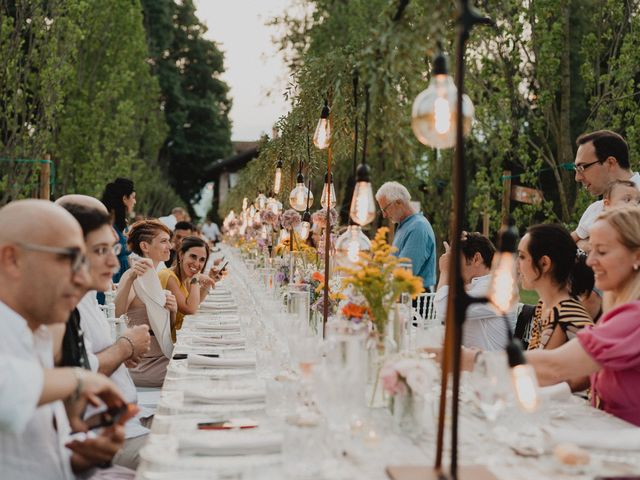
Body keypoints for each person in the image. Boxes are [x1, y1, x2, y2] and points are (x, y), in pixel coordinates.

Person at [0, 199, 129, 479]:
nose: (82, 277)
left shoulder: (41, 332)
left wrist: (79, 458)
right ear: (12, 259)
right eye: (70, 258)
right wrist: (80, 379)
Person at [56, 195, 152, 469]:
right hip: (111, 433)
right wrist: (123, 348)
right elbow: (81, 373)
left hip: (122, 419)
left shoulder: (83, 297)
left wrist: (123, 351)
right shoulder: (56, 308)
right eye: (101, 250)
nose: (114, 262)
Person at [523, 207, 640, 426]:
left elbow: (554, 366)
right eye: (591, 250)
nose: (589, 261)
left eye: (602, 251)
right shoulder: (616, 315)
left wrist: (477, 362)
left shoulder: (633, 318)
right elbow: (581, 378)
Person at [115, 220, 177, 387]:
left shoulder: (155, 275)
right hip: (143, 365)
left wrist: (173, 311)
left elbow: (163, 328)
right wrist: (129, 279)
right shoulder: (132, 275)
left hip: (162, 356)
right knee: (195, 372)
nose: (170, 246)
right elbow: (117, 316)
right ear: (145, 246)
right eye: (164, 241)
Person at [517, 224, 594, 350]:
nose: (517, 265)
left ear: (544, 263)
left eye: (522, 256)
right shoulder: (543, 305)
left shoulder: (569, 316)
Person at [434, 232, 513, 350]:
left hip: (488, 365)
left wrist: (445, 271)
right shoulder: (476, 286)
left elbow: (444, 308)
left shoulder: (497, 288)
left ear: (476, 259)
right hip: (470, 361)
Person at [571, 130, 640, 244]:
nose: (577, 177)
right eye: (576, 170)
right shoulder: (594, 209)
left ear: (611, 163)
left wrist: (585, 247)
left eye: (582, 168)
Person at [375, 181, 436, 291]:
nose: (384, 215)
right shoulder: (405, 225)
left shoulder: (418, 227)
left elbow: (404, 274)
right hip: (400, 294)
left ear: (398, 202)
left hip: (414, 300)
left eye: (385, 209)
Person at [158, 236, 215, 340]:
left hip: (184, 336)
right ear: (181, 255)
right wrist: (196, 280)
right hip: (172, 343)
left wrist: (207, 283)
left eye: (202, 260)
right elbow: (190, 309)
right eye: (193, 257)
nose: (197, 263)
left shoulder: (186, 277)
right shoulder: (168, 276)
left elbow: (194, 302)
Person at [101, 178, 136, 284]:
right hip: (111, 279)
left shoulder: (121, 224)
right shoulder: (108, 223)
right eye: (133, 197)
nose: (135, 201)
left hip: (121, 277)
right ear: (125, 198)